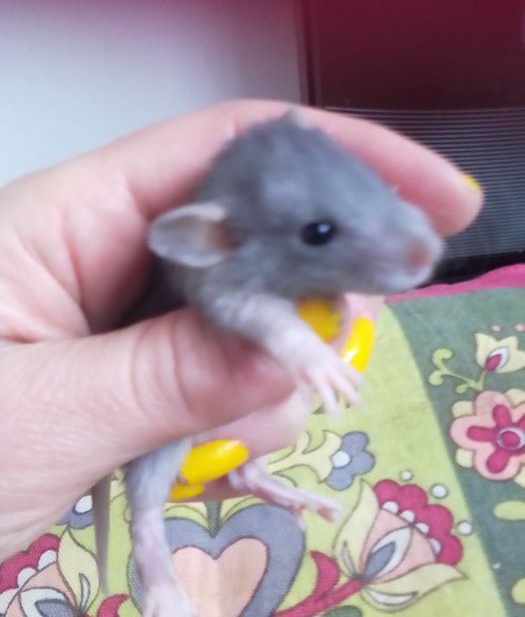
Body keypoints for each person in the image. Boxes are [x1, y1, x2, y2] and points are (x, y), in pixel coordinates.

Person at [0, 99, 482, 562]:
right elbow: (233, 299)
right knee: (158, 474)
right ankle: (155, 564)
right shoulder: (222, 253)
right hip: (116, 387)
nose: (419, 249)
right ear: (215, 237)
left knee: (250, 420)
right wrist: (299, 347)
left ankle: (252, 475)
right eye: (318, 234)